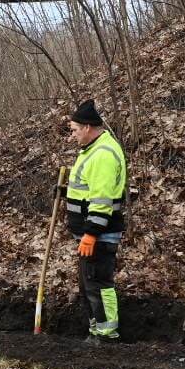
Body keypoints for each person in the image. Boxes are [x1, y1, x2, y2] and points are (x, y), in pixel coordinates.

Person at [65, 99, 128, 342]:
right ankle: (96, 330)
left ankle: (106, 333)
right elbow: (86, 189)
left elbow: (101, 201)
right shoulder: (92, 150)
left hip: (99, 235)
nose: (72, 136)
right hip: (90, 234)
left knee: (98, 284)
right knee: (88, 284)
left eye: (74, 130)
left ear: (88, 128)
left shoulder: (103, 155)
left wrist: (91, 233)